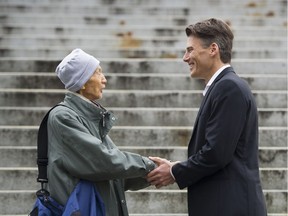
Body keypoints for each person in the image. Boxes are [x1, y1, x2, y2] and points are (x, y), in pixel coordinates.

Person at [147, 18, 267, 215]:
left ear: (213, 49)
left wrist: (174, 172)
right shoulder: (222, 87)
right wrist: (178, 167)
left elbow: (216, 153)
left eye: (190, 50)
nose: (185, 58)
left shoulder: (229, 88)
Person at [47, 48, 155, 216]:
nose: (104, 80)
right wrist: (148, 165)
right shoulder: (63, 117)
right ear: (82, 81)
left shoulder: (90, 116)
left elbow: (114, 175)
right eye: (98, 73)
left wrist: (153, 174)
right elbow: (102, 162)